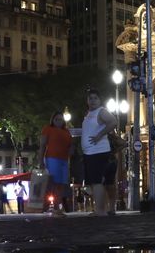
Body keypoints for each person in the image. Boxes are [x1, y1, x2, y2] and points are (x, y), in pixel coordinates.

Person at [80, 88, 119, 216]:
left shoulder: (101, 112)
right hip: (90, 153)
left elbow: (113, 122)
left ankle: (100, 210)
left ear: (100, 100)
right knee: (94, 182)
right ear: (87, 100)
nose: (92, 101)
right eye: (90, 98)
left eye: (95, 98)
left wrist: (99, 135)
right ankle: (101, 209)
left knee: (97, 182)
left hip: (98, 152)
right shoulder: (89, 114)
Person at [37, 111, 73, 215]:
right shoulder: (48, 129)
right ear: (52, 120)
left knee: (62, 183)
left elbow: (70, 144)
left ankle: (57, 206)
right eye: (56, 119)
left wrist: (71, 150)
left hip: (64, 160)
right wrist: (41, 161)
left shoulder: (66, 132)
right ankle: (56, 207)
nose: (58, 121)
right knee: (56, 183)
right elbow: (42, 145)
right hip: (52, 158)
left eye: (61, 119)